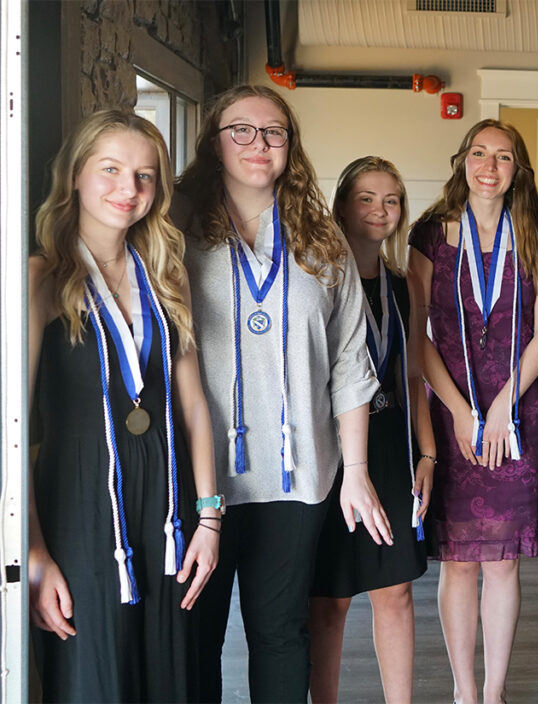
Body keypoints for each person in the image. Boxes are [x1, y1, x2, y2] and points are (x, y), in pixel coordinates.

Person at [174, 85, 391, 703]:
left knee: (280, 634)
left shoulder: (322, 241)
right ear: (214, 142)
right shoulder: (176, 234)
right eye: (241, 130)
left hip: (298, 478)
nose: (258, 143)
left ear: (290, 146)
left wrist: (356, 471)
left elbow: (351, 362)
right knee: (196, 634)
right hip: (201, 474)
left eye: (274, 132)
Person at [27, 109, 219, 701]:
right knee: (94, 680)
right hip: (79, 512)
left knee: (166, 678)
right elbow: (9, 430)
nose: (127, 189)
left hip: (166, 508)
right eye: (110, 169)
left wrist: (209, 518)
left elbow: (192, 405)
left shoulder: (166, 275)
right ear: (76, 175)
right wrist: (33, 555)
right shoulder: (40, 280)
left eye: (145, 175)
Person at [407, 119, 538, 704]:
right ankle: (464, 693)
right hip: (450, 416)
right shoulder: (430, 234)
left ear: (517, 168)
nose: (489, 166)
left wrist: (499, 408)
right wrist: (463, 413)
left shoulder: (537, 233)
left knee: (501, 564)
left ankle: (494, 692)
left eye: (503, 156)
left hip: (516, 417)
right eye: (479, 153)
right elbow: (417, 334)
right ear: (462, 160)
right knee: (459, 563)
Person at [308, 156, 435, 704]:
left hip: (391, 447)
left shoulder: (404, 286)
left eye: (391, 200)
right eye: (366, 198)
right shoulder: (315, 279)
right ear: (342, 205)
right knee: (330, 599)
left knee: (396, 592)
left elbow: (412, 374)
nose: (381, 210)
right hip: (335, 448)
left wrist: (427, 454)